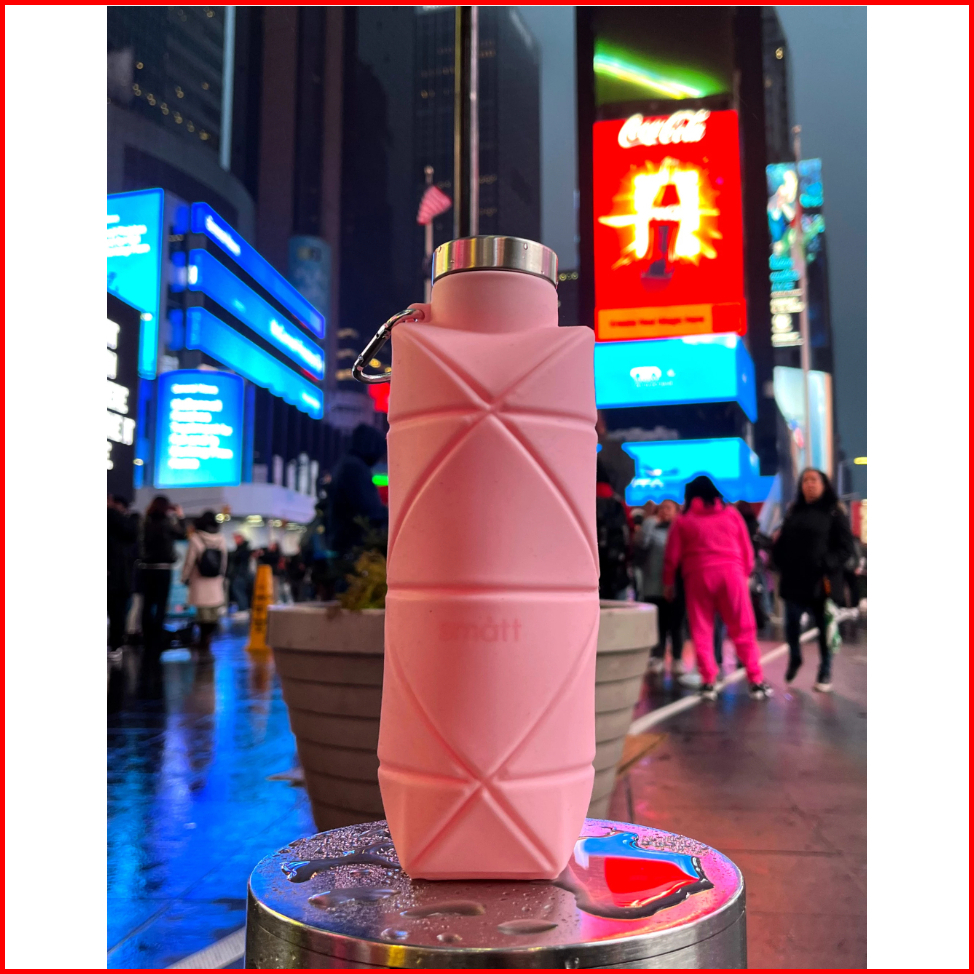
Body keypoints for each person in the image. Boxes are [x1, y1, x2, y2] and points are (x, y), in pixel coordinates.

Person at [662, 476, 773, 701]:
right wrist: (744, 573)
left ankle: (708, 682)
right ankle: (756, 681)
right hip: (731, 574)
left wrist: (668, 583)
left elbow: (672, 556)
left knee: (701, 628)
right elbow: (746, 548)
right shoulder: (731, 514)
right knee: (742, 627)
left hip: (698, 576)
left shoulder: (683, 519)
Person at [772, 468, 855, 692]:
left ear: (824, 484)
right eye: (805, 480)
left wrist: (827, 562)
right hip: (794, 581)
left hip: (822, 583)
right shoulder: (793, 511)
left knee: (824, 629)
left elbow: (846, 548)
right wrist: (777, 557)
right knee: (791, 625)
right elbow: (783, 542)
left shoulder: (834, 512)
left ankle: (825, 670)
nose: (809, 484)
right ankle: (795, 657)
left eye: (814, 480)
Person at [634, 499, 684, 674]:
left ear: (677, 511)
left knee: (676, 624)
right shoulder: (651, 527)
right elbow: (641, 543)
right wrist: (649, 522)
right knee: (658, 624)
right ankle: (658, 656)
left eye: (669, 508)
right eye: (661, 508)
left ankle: (677, 658)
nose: (665, 511)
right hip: (654, 584)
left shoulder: (681, 530)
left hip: (676, 585)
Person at [331, 424, 389, 562]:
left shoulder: (347, 464)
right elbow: (370, 511)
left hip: (344, 544)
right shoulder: (355, 467)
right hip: (355, 546)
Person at [139, 496, 187, 656]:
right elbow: (182, 533)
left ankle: (146, 637)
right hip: (163, 568)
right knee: (161, 604)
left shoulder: (145, 522)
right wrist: (180, 515)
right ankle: (157, 638)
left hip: (146, 567)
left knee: (146, 604)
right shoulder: (167, 523)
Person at [181, 510, 228, 654]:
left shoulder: (196, 538)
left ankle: (203, 638)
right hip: (215, 580)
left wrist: (184, 577)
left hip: (199, 579)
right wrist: (221, 575)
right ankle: (208, 638)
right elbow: (224, 560)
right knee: (213, 612)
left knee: (202, 612)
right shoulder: (220, 538)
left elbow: (189, 561)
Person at [107, 494, 140, 652]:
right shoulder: (129, 525)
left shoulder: (117, 524)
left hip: (117, 577)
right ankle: (116, 646)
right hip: (121, 578)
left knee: (118, 612)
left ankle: (115, 645)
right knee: (119, 613)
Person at [596, 461, 630, 600]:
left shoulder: (583, 502)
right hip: (617, 569)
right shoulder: (619, 503)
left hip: (591, 571)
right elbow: (630, 534)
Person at [227, 533, 253, 612]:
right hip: (239, 575)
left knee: (240, 594)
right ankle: (243, 609)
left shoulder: (243, 550)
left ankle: (243, 610)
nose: (235, 540)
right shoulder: (242, 549)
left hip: (240, 575)